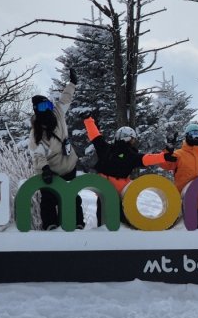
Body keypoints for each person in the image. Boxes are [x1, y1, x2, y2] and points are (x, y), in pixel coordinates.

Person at [83, 116, 176, 225]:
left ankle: (104, 235)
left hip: (104, 190)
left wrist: (88, 120)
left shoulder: (106, 148)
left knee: (104, 220)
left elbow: (95, 136)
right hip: (121, 192)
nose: (133, 142)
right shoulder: (131, 155)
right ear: (127, 138)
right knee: (119, 222)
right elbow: (146, 159)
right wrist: (163, 157)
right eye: (132, 139)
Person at [28, 68, 84, 230]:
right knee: (49, 198)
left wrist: (72, 83)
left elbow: (66, 98)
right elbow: (37, 154)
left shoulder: (57, 113)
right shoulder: (37, 132)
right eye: (43, 106)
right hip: (50, 170)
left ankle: (77, 223)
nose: (47, 109)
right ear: (37, 110)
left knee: (72, 196)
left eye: (48, 104)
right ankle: (50, 225)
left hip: (68, 165)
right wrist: (45, 169)